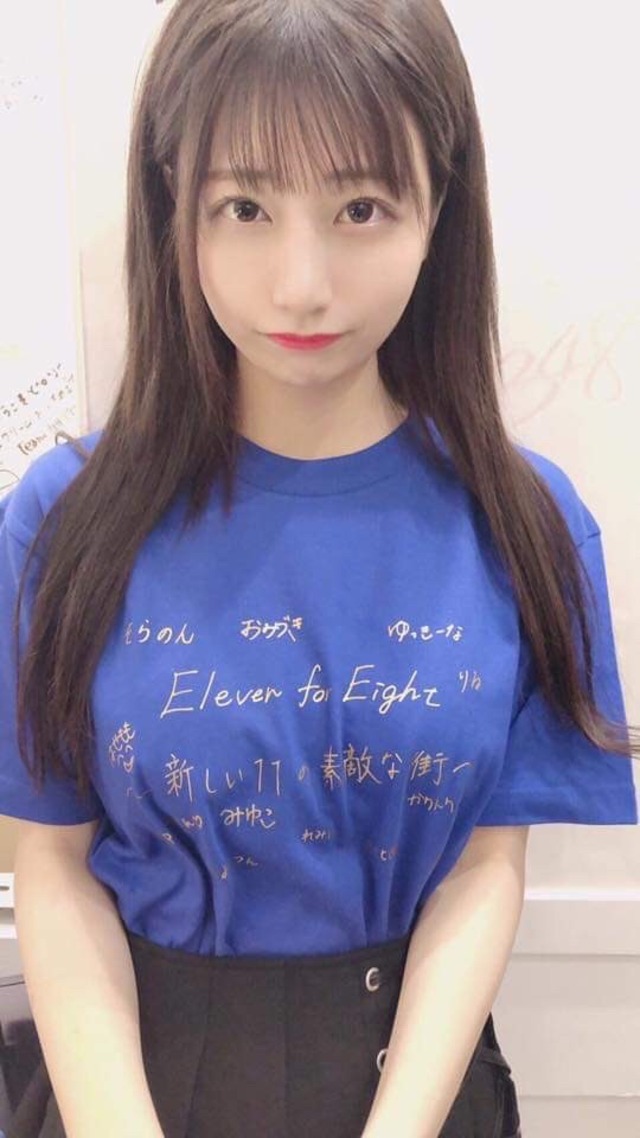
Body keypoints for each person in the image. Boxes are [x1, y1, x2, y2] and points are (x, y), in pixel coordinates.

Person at [1, 1, 638, 1136]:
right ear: (175, 210)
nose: (301, 284)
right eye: (244, 207)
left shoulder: (528, 524)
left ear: (439, 208)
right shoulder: (63, 521)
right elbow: (50, 866)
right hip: (131, 1082)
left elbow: (483, 866)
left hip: (416, 1084)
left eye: (360, 207)